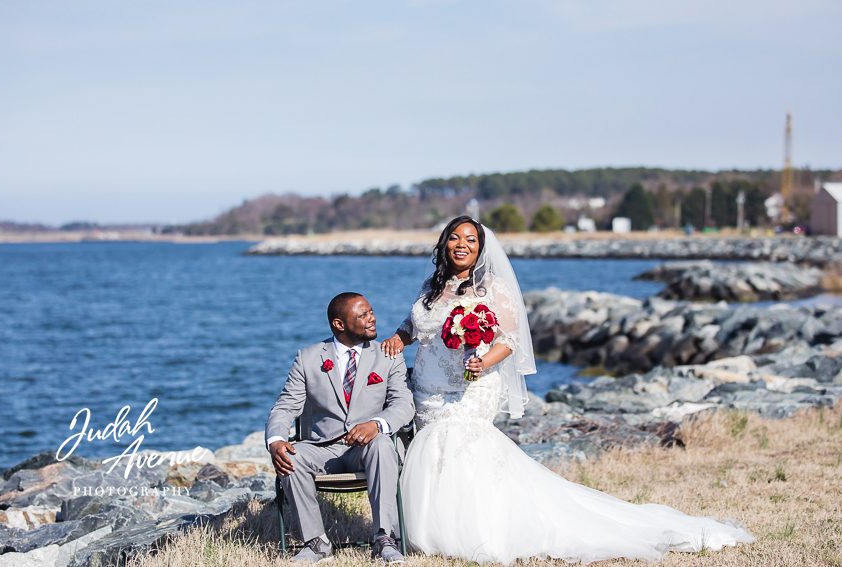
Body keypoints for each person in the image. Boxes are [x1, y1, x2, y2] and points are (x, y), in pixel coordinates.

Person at [381, 216, 753, 564]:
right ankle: (429, 529)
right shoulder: (432, 285)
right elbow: (415, 324)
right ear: (444, 243)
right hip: (427, 386)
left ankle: (472, 531)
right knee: (431, 447)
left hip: (472, 382)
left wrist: (485, 362)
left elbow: (509, 340)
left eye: (471, 240)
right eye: (455, 238)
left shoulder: (491, 287)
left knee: (459, 445)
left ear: (480, 250)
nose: (461, 245)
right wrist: (399, 337)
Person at [266, 292, 415, 563]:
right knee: (289, 455)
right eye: (363, 315)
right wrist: (276, 440)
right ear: (339, 324)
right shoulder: (308, 358)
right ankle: (316, 544)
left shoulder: (388, 356)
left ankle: (384, 538)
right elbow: (285, 406)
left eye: (371, 311)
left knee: (382, 443)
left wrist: (377, 424)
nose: (372, 319)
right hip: (322, 450)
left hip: (367, 448)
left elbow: (404, 405)